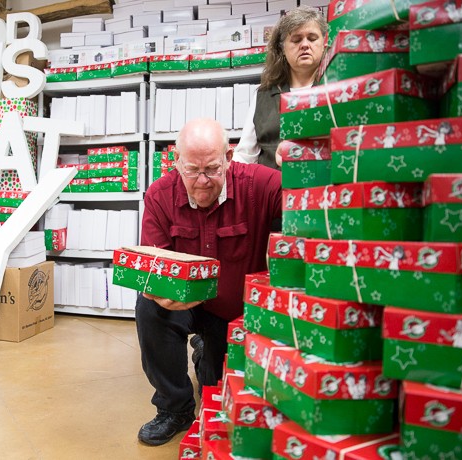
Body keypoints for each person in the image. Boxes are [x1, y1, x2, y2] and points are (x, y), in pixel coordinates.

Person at [136, 118, 282, 445]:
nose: (202, 181)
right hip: (181, 304)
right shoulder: (159, 196)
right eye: (192, 170)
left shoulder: (257, 184)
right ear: (176, 162)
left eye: (213, 169)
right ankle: (174, 407)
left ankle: (205, 353)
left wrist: (301, 158)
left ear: (229, 158)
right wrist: (156, 291)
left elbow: (305, 195)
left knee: (215, 387)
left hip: (232, 313)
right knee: (148, 309)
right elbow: (148, 265)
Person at [234, 6, 328, 168]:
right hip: (273, 191)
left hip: (325, 189)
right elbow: (245, 156)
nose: (305, 45)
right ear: (282, 48)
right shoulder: (263, 95)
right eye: (296, 40)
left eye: (312, 38)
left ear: (324, 43)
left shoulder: (338, 90)